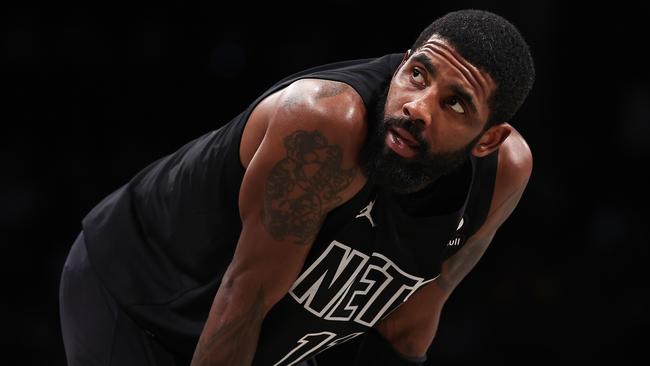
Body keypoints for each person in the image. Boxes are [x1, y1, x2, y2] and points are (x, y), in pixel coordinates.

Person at [59, 9, 535, 366]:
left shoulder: (503, 173)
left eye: (455, 104)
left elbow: (406, 330)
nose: (417, 107)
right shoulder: (324, 124)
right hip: (144, 295)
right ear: (403, 63)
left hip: (266, 335)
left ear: (489, 138)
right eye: (418, 75)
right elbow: (241, 305)